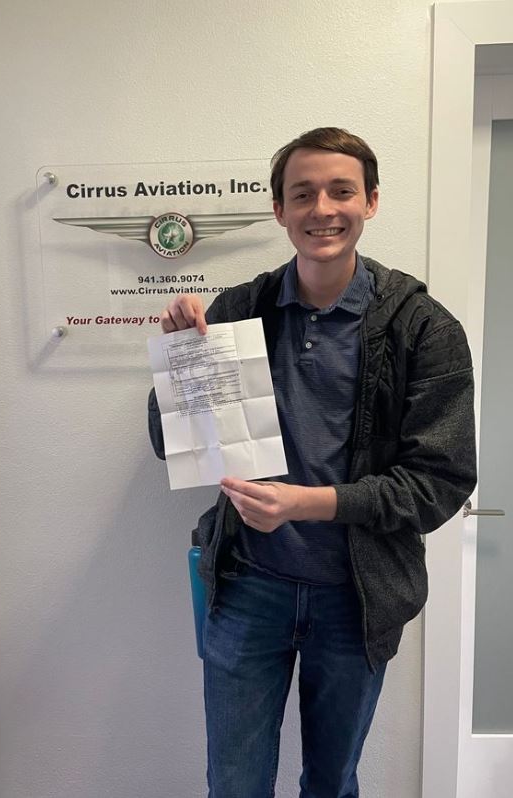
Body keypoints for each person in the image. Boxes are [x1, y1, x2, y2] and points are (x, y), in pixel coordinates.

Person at [147, 127, 477, 798]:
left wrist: (312, 503)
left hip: (358, 599)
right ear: (279, 210)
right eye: (302, 194)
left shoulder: (424, 329)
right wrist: (182, 367)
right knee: (234, 784)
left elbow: (439, 482)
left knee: (330, 781)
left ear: (372, 202)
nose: (322, 208)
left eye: (341, 191)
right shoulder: (242, 309)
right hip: (247, 588)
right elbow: (172, 442)